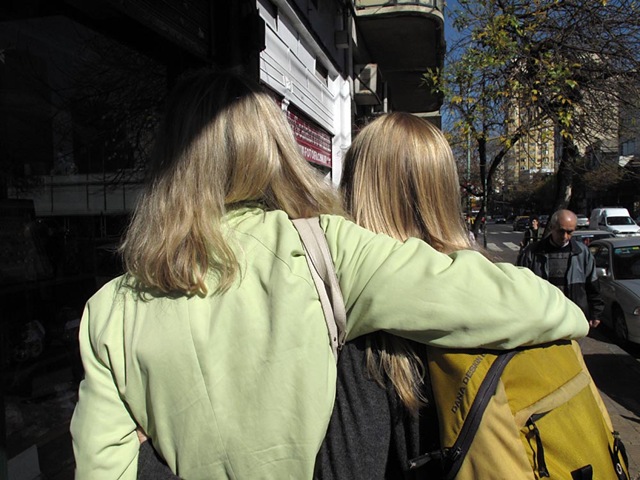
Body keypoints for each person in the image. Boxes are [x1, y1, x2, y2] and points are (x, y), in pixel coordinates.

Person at [70, 68, 589, 479]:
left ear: (167, 162)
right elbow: (530, 306)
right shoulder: (323, 248)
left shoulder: (109, 311)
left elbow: (103, 468)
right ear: (270, 146)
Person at [518, 209, 603, 328]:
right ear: (552, 227)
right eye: (561, 231)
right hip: (542, 319)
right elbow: (519, 287)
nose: (564, 236)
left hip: (574, 317)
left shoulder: (582, 253)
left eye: (569, 232)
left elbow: (592, 285)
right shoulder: (532, 253)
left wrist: (595, 313)